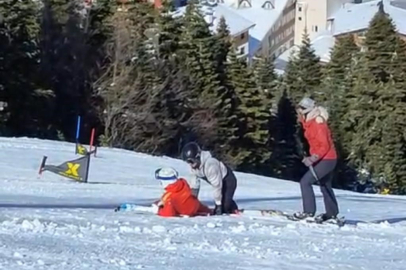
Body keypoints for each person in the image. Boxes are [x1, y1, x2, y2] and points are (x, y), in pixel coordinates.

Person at [294, 97, 339, 222]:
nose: (299, 112)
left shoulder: (317, 123)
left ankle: (308, 212)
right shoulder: (309, 122)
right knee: (324, 184)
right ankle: (332, 214)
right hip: (324, 158)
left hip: (327, 159)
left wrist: (313, 158)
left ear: (308, 110)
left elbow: (324, 145)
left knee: (305, 182)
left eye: (301, 109)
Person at [181, 142, 238, 215]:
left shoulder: (210, 164)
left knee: (224, 207)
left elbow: (217, 186)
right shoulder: (193, 167)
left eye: (191, 161)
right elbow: (194, 184)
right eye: (187, 162)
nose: (190, 164)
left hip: (227, 180)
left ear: (197, 157)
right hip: (217, 181)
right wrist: (192, 202)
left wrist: (218, 205)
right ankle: (228, 203)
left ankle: (233, 208)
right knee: (223, 199)